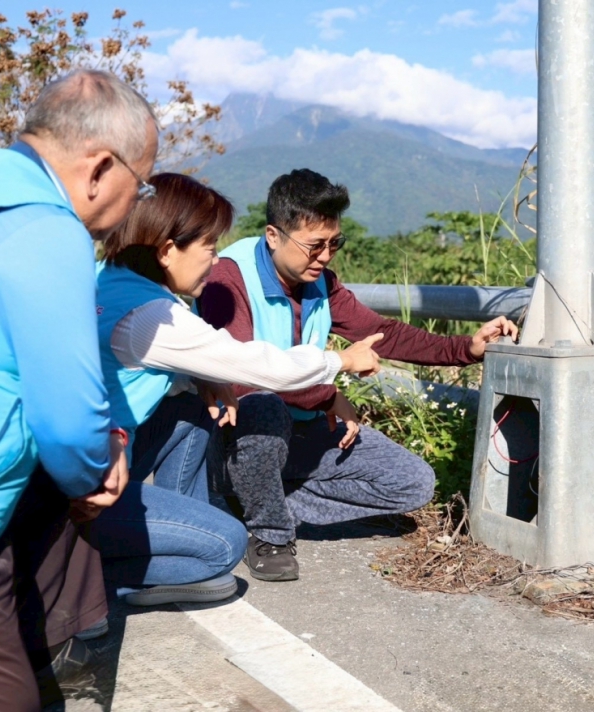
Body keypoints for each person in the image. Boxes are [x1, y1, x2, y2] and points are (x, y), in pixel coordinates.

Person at [0, 69, 158, 710]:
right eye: (142, 185)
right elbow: (65, 416)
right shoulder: (44, 226)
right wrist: (95, 470)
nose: (135, 204)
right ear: (99, 168)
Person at [199, 168, 519, 582]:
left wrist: (466, 349)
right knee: (263, 409)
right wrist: (327, 395)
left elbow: (386, 335)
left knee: (412, 484)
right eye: (314, 246)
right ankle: (270, 533)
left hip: (299, 430)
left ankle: (251, 500)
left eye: (335, 243)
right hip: (237, 431)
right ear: (273, 235)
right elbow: (241, 376)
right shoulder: (228, 278)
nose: (326, 256)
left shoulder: (321, 283)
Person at [93, 172, 383, 606]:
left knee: (194, 405)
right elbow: (259, 364)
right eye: (209, 247)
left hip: (88, 458)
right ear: (168, 251)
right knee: (225, 546)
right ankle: (83, 578)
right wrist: (340, 360)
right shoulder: (152, 317)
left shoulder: (108, 280)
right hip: (86, 487)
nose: (215, 262)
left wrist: (203, 377)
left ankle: (171, 528)